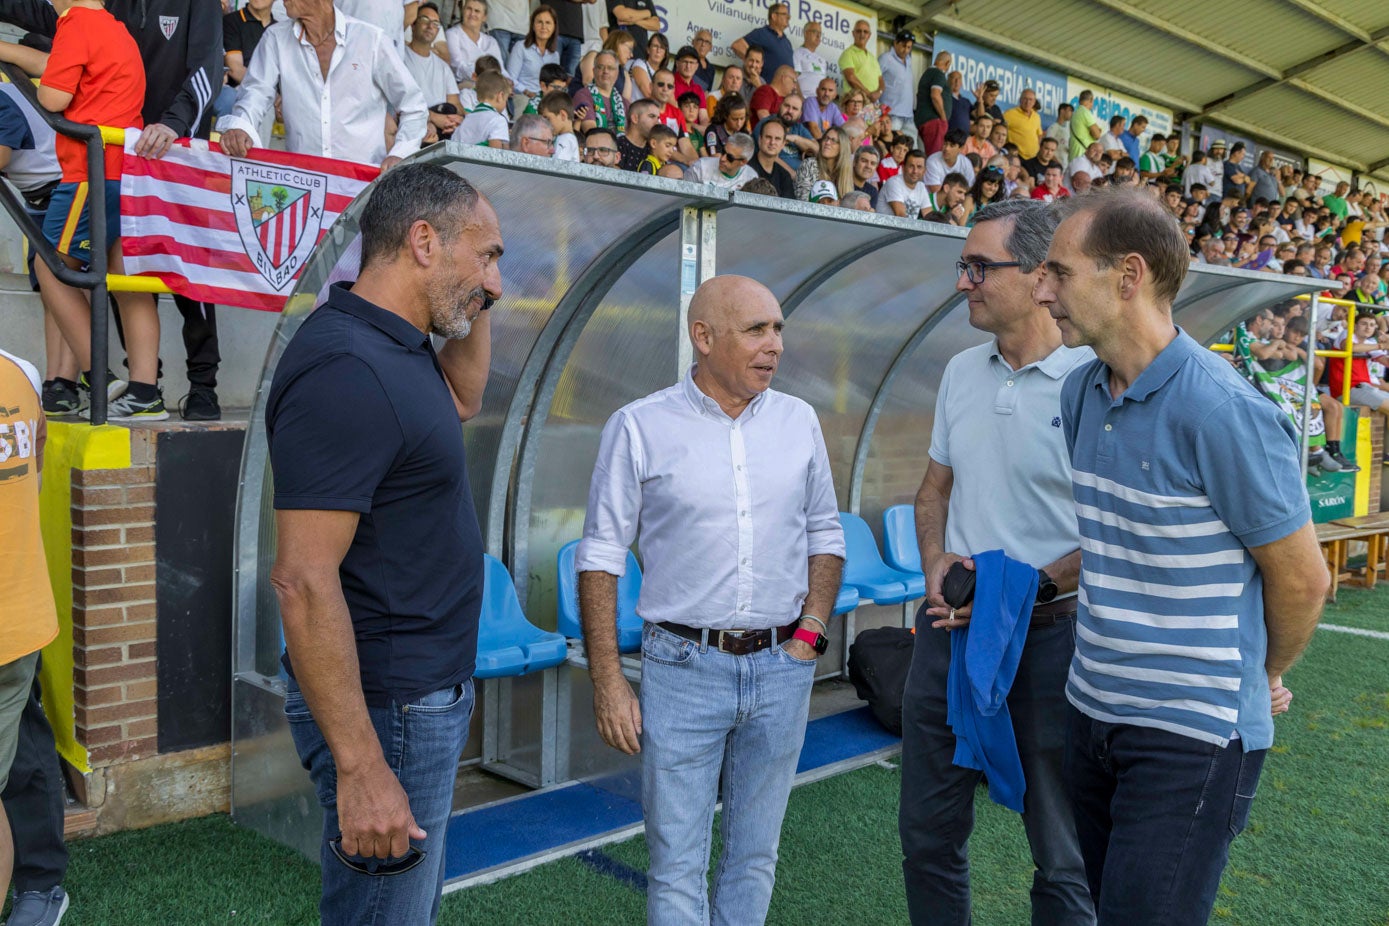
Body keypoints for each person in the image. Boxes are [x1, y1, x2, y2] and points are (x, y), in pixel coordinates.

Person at [1033, 189, 1328, 925]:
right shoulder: (1078, 392)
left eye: (1058, 273)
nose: (1040, 290)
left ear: (1126, 276)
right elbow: (1118, 535)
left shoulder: (1222, 410)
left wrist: (1260, 676)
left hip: (1189, 734)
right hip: (1090, 710)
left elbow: (1300, 576)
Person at [266, 164, 501, 926]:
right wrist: (363, 768)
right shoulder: (346, 367)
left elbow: (463, 398)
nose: (494, 277)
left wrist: (476, 295)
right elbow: (301, 580)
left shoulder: (399, 345)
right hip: (385, 706)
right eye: (486, 254)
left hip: (418, 694)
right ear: (423, 241)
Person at [576, 273, 845, 926]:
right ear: (703, 337)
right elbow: (600, 556)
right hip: (680, 667)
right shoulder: (638, 426)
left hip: (784, 665)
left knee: (755, 853)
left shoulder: (797, 420)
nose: (774, 344)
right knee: (675, 865)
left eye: (778, 328)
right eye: (756, 329)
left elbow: (825, 532)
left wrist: (809, 631)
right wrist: (609, 682)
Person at [900, 199, 1094, 926]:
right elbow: (931, 492)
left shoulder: (1092, 380)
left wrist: (1023, 592)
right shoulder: (959, 371)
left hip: (1052, 641)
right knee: (926, 837)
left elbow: (1112, 532)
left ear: (1041, 274)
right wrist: (933, 564)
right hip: (949, 634)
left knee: (1063, 855)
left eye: (978, 267)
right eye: (962, 266)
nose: (963, 282)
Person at [0, 0, 226, 422]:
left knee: (52, 268)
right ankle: (144, 391)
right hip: (130, 168)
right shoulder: (114, 26)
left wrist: (46, 81)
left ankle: (97, 375)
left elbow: (52, 96)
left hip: (94, 170)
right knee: (128, 278)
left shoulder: (76, 25)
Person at [218, 0, 426, 167]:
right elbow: (255, 92)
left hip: (361, 186)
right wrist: (241, 126)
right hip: (303, 182)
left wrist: (400, 154)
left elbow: (414, 107)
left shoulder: (371, 40)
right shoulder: (276, 38)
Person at [0, 347, 60, 924]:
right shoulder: (21, 372)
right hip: (22, 613)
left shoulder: (20, 374)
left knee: (24, 756)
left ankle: (42, 885)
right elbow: (34, 468)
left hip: (14, 622)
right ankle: (42, 885)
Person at [404, 4, 463, 140]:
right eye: (425, 20)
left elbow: (455, 104)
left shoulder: (443, 66)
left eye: (435, 23)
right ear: (413, 24)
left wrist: (457, 120)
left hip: (442, 131)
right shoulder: (400, 58)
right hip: (410, 128)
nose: (430, 26)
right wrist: (431, 118)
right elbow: (398, 104)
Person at [506, 6, 560, 116]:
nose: (544, 27)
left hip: (546, 100)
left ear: (554, 27)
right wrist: (528, 92)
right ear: (533, 26)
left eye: (548, 23)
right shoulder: (520, 47)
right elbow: (510, 78)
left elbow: (554, 83)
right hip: (523, 97)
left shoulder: (555, 55)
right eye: (539, 22)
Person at [444, 0, 509, 84]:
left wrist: (509, 81)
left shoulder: (491, 41)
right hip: (462, 86)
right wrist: (484, 74)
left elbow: (501, 70)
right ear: (463, 11)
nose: (472, 14)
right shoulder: (452, 34)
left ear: (484, 17)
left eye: (477, 11)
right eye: (469, 9)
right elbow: (457, 66)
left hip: (489, 87)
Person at [731, 1, 793, 79]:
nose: (788, 17)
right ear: (774, 16)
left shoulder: (787, 42)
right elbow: (737, 46)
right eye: (785, 14)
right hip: (765, 87)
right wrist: (755, 66)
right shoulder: (763, 33)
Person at [454, 70, 510, 147]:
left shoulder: (465, 120)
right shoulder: (498, 120)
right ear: (500, 96)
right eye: (506, 99)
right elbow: (497, 154)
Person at [573, 50, 625, 132]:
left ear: (617, 73)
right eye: (600, 67)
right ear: (593, 71)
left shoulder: (624, 101)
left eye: (610, 68)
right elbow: (591, 131)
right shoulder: (583, 95)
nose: (605, 71)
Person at [685, 132, 757, 190]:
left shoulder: (751, 178)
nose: (722, 158)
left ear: (743, 162)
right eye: (723, 151)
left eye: (729, 157)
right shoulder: (700, 167)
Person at [914, 50, 951, 155]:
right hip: (934, 122)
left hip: (924, 120)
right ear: (947, 63)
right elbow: (935, 95)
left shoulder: (927, 74)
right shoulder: (938, 74)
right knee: (935, 156)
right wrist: (943, 117)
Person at [749, 117, 795, 199]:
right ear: (760, 139)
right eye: (768, 137)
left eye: (777, 139)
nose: (772, 142)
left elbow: (788, 208)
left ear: (783, 144)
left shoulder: (784, 176)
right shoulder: (746, 166)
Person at [878, 31, 914, 134]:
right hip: (892, 114)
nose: (906, 50)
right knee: (893, 146)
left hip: (908, 116)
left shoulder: (909, 61)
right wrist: (877, 106)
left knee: (912, 148)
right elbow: (874, 80)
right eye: (903, 46)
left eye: (909, 47)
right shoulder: (886, 58)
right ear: (895, 43)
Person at [877, 149, 931, 218]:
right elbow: (901, 216)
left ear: (924, 171)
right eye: (911, 166)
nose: (915, 171)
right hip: (885, 228)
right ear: (903, 168)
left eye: (919, 167)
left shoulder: (921, 187)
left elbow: (929, 215)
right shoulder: (894, 183)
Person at [839, 20, 880, 102]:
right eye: (859, 31)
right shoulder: (848, 53)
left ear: (869, 35)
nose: (862, 34)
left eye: (865, 32)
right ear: (853, 33)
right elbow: (850, 78)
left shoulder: (872, 57)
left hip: (872, 103)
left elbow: (881, 80)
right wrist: (868, 94)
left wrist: (879, 92)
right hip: (855, 102)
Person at [605, 0, 657, 64]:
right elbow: (622, 15)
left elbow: (656, 25)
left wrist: (634, 21)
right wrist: (647, 13)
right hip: (617, 53)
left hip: (640, 54)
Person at [924, 129, 975, 193]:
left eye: (952, 146)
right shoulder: (932, 161)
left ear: (961, 148)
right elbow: (936, 191)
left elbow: (970, 187)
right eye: (945, 144)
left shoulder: (966, 163)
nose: (946, 148)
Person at [617, 97, 658, 170]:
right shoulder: (618, 145)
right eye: (651, 116)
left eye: (658, 118)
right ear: (635, 119)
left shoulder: (655, 150)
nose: (657, 122)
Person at [1002, 88, 1042, 160]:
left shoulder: (1036, 116)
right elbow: (1000, 130)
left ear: (1034, 102)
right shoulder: (1010, 114)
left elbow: (1039, 134)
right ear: (1020, 100)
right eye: (1025, 99)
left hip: (1033, 158)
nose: (1027, 102)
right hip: (1016, 156)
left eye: (1030, 99)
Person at [793, 20, 828, 100]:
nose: (818, 36)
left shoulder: (822, 60)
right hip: (804, 100)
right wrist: (801, 99)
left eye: (820, 33)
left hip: (819, 103)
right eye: (815, 32)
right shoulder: (797, 53)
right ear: (806, 33)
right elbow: (794, 79)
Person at [803, 76, 845, 141]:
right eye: (823, 89)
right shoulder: (810, 101)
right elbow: (814, 128)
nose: (826, 93)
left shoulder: (833, 107)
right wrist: (824, 146)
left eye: (830, 90)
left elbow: (843, 128)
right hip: (810, 143)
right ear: (817, 91)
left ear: (835, 95)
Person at [1067, 91, 1101, 161]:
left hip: (1074, 153)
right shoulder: (1085, 112)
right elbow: (1097, 135)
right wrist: (1097, 131)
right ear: (1091, 100)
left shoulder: (1075, 113)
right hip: (1083, 154)